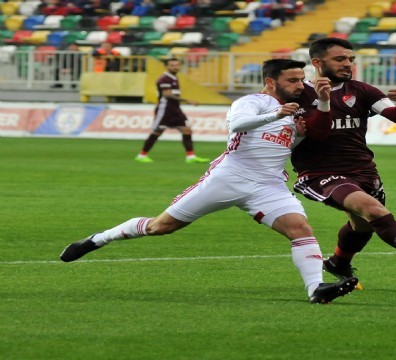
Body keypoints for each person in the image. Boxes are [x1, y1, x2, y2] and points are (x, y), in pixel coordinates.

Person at [60, 58, 359, 304]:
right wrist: (276, 114)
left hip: (268, 185)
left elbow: (287, 145)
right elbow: (236, 125)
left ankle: (315, 289)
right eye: (293, 80)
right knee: (160, 227)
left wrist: (309, 118)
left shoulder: (298, 113)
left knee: (300, 228)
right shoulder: (253, 102)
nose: (300, 85)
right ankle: (99, 239)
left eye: (302, 79)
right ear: (271, 82)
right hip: (229, 176)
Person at [291, 37, 396, 289]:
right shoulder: (300, 94)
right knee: (375, 212)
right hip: (321, 172)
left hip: (362, 170)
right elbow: (316, 132)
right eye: (339, 59)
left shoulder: (362, 91)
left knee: (362, 226)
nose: (347, 64)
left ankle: (338, 263)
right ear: (317, 62)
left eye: (351, 59)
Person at [135, 58, 210, 164]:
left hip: (175, 109)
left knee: (187, 130)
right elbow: (167, 95)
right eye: (172, 65)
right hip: (165, 110)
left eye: (177, 65)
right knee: (157, 132)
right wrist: (187, 100)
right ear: (167, 67)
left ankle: (190, 157)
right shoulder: (165, 79)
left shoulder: (174, 78)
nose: (175, 67)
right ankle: (142, 155)